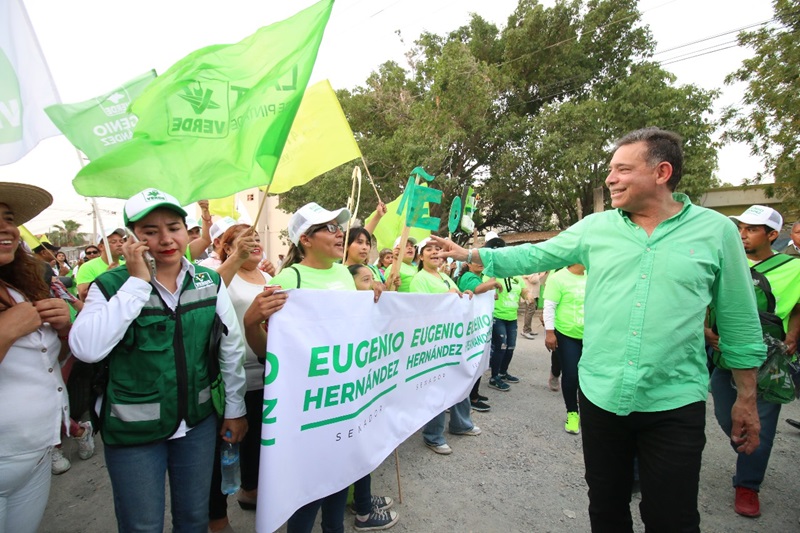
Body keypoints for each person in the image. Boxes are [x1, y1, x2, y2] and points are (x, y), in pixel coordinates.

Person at [431, 127, 766, 532]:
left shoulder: (716, 231)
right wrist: (471, 254)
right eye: (611, 169)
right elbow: (537, 254)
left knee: (673, 517)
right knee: (606, 508)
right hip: (602, 397)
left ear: (661, 172)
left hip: (674, 403)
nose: (610, 179)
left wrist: (746, 397)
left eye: (622, 169)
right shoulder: (595, 228)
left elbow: (738, 319)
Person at [69, 188, 248, 533]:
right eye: (150, 231)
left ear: (186, 230)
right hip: (133, 432)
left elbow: (230, 348)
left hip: (197, 424)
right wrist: (137, 283)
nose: (166, 239)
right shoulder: (110, 285)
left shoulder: (208, 280)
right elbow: (86, 348)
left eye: (174, 227)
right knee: (142, 525)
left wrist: (235, 409)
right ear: (131, 239)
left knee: (194, 519)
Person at [269, 201, 386, 533]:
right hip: (308, 404)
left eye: (339, 227)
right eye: (330, 228)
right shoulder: (288, 277)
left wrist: (374, 297)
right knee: (309, 491)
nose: (339, 234)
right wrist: (252, 321)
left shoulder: (343, 274)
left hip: (344, 396)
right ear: (305, 239)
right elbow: (271, 346)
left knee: (339, 478)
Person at [708, 205, 800, 518]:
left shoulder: (793, 267)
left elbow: (798, 306)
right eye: (741, 228)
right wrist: (707, 331)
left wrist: (792, 336)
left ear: (772, 235)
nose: (743, 235)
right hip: (725, 356)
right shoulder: (726, 262)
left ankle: (748, 484)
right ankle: (749, 450)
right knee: (726, 416)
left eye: (752, 229)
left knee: (762, 424)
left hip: (767, 361)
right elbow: (707, 300)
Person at [0, 182, 72, 533]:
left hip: (37, 453)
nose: (5, 228)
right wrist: (6, 331)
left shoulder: (20, 288)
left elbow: (49, 360)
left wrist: (64, 328)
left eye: (8, 218)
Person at [206, 223, 278, 533]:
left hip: (265, 372)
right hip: (230, 377)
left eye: (257, 238)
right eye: (245, 239)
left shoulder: (269, 277)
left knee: (257, 442)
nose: (255, 242)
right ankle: (217, 518)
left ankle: (250, 491)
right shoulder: (220, 275)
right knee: (223, 450)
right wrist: (235, 259)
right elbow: (207, 294)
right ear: (226, 247)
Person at [409, 238, 480, 455]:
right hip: (434, 344)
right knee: (437, 388)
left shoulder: (445, 277)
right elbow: (419, 311)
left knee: (460, 380)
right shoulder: (419, 279)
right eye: (428, 250)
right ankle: (433, 436)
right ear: (420, 256)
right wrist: (444, 298)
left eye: (438, 250)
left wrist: (465, 295)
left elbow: (456, 297)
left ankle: (461, 423)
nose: (434, 253)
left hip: (453, 341)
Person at [543, 264, 587, 435]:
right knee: (571, 374)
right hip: (567, 334)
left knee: (587, 376)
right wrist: (549, 332)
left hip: (591, 335)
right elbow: (549, 307)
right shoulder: (557, 278)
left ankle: (587, 411)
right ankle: (572, 413)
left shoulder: (593, 275)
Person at [482, 236, 527, 392]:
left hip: (512, 317)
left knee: (510, 347)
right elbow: (483, 288)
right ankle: (494, 377)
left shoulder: (515, 274)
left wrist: (527, 296)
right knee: (501, 347)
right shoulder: (490, 273)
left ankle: (503, 372)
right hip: (497, 316)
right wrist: (490, 291)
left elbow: (523, 289)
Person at [457, 261, 501, 412]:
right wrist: (492, 283)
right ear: (468, 264)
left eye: (482, 261)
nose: (480, 263)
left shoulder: (478, 277)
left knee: (478, 360)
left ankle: (474, 394)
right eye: (476, 261)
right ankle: (471, 397)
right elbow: (476, 290)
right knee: (473, 360)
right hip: (471, 327)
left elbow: (481, 293)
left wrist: (489, 294)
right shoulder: (468, 276)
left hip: (477, 326)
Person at [75, 228, 126, 300]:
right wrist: (107, 277)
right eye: (113, 242)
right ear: (101, 247)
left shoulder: (126, 265)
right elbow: (84, 296)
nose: (119, 244)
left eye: (121, 241)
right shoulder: (87, 267)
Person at [520, 272, 542, 339]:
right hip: (530, 295)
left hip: (532, 295)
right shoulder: (530, 270)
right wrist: (542, 274)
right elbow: (533, 280)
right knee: (530, 312)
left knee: (530, 311)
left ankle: (528, 329)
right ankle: (526, 331)